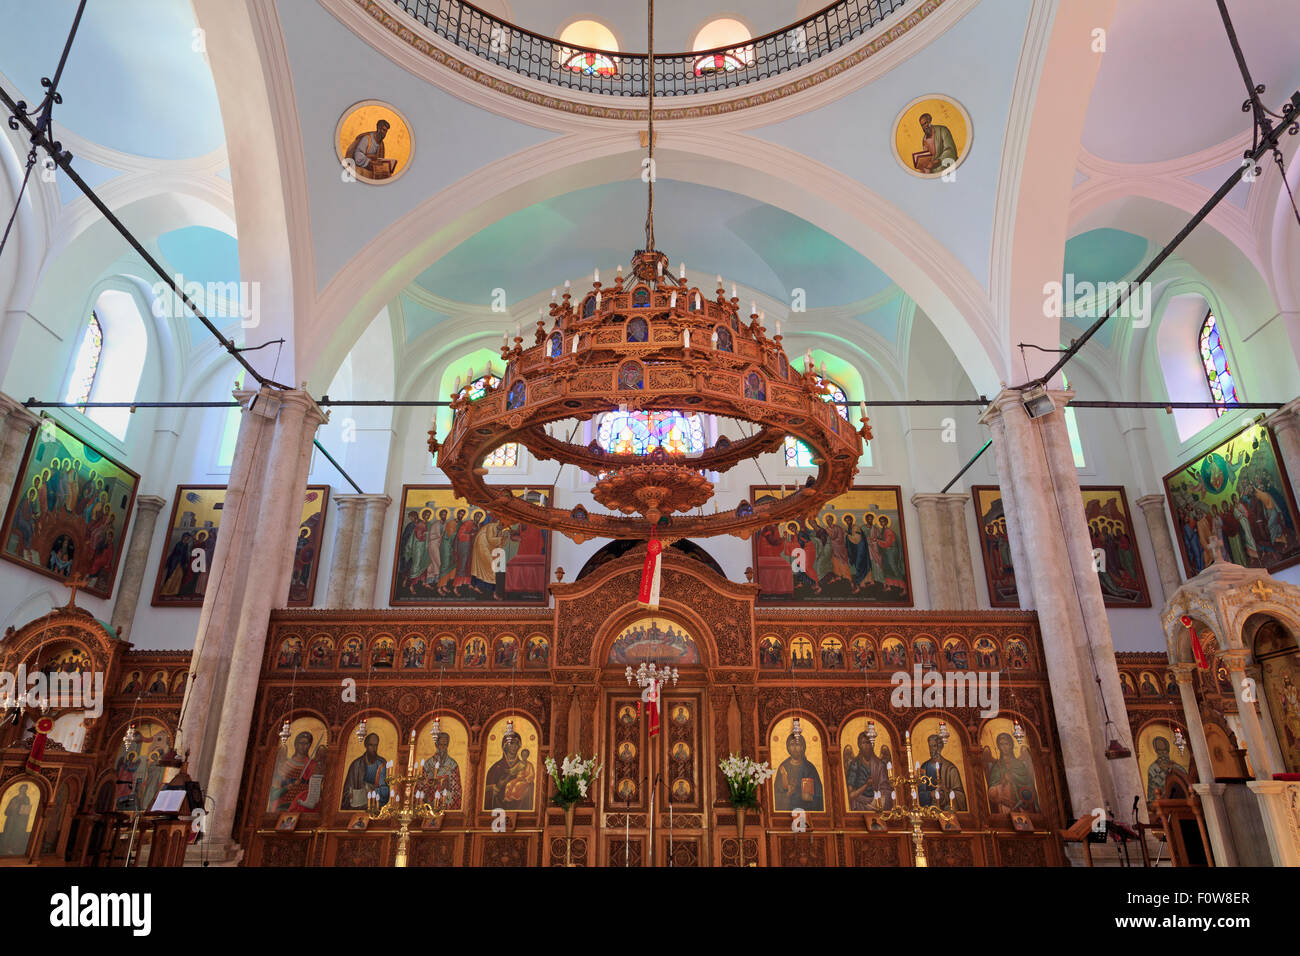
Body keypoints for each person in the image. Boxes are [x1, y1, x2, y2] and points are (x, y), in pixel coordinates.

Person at [268, 731, 327, 812]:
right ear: (296, 744)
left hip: (304, 806)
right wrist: (290, 786)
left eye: (307, 744)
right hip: (284, 805)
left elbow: (317, 789)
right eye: (301, 743)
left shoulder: (313, 765)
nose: (304, 746)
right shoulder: (285, 765)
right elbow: (273, 795)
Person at [982, 732, 1039, 813]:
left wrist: (1012, 777)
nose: (1004, 747)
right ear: (998, 747)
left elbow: (1029, 784)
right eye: (1001, 744)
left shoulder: (1019, 765)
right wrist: (1002, 781)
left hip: (1022, 804)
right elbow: (991, 790)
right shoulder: (997, 766)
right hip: (1005, 805)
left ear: (1011, 745)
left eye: (1007, 744)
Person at [483, 730, 534, 811]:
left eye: (516, 744)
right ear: (505, 746)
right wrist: (496, 787)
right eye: (511, 744)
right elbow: (485, 793)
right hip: (496, 813)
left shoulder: (525, 765)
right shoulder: (496, 768)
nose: (514, 747)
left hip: (521, 810)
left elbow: (530, 782)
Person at [773, 730, 823, 811]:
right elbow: (776, 795)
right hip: (787, 810)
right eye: (792, 744)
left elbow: (820, 793)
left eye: (798, 744)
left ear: (803, 747)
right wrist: (787, 794)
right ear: (788, 747)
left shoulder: (810, 768)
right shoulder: (783, 768)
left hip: (807, 811)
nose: (795, 748)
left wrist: (810, 797)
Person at [917, 734, 967, 811]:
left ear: (940, 747)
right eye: (930, 746)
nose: (931, 750)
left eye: (934, 746)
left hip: (947, 811)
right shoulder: (924, 767)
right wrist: (930, 794)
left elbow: (960, 796)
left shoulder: (950, 769)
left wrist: (946, 792)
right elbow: (919, 794)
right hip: (929, 811)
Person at [342, 733, 389, 810]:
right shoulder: (356, 765)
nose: (374, 748)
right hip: (359, 807)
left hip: (378, 806)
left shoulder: (382, 763)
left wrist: (375, 790)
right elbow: (347, 792)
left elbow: (387, 789)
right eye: (371, 745)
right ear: (366, 745)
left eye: (376, 745)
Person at [422, 731, 462, 810]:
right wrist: (430, 784)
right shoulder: (428, 764)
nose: (443, 747)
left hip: (446, 803)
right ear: (436, 745)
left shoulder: (452, 764)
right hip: (429, 804)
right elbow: (421, 785)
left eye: (445, 745)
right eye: (441, 745)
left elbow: (456, 790)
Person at [1145, 735, 1189, 803]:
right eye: (1159, 751)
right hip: (1161, 804)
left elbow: (1187, 783)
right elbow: (1153, 791)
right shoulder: (1153, 769)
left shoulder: (1177, 767)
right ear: (1156, 751)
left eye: (1165, 751)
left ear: (1168, 750)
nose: (1162, 754)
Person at [1, 784, 33, 856]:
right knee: (8, 833)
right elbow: (6, 811)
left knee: (15, 834)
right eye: (22, 788)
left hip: (19, 821)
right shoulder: (14, 798)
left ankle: (12, 849)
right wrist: (12, 808)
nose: (23, 790)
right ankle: (4, 848)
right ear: (19, 789)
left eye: (25, 789)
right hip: (10, 819)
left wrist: (20, 811)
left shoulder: (26, 799)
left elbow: (26, 811)